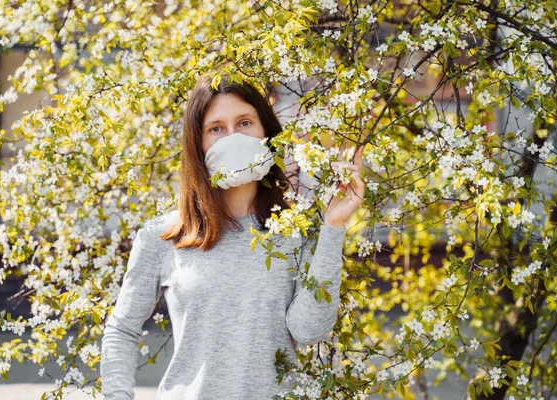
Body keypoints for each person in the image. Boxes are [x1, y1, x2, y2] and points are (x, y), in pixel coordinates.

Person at [100, 73, 365, 400]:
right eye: (216, 129)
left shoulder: (297, 230)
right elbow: (122, 330)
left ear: (266, 133)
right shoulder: (166, 235)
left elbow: (308, 331)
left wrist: (333, 227)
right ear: (198, 143)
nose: (232, 138)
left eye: (244, 123)